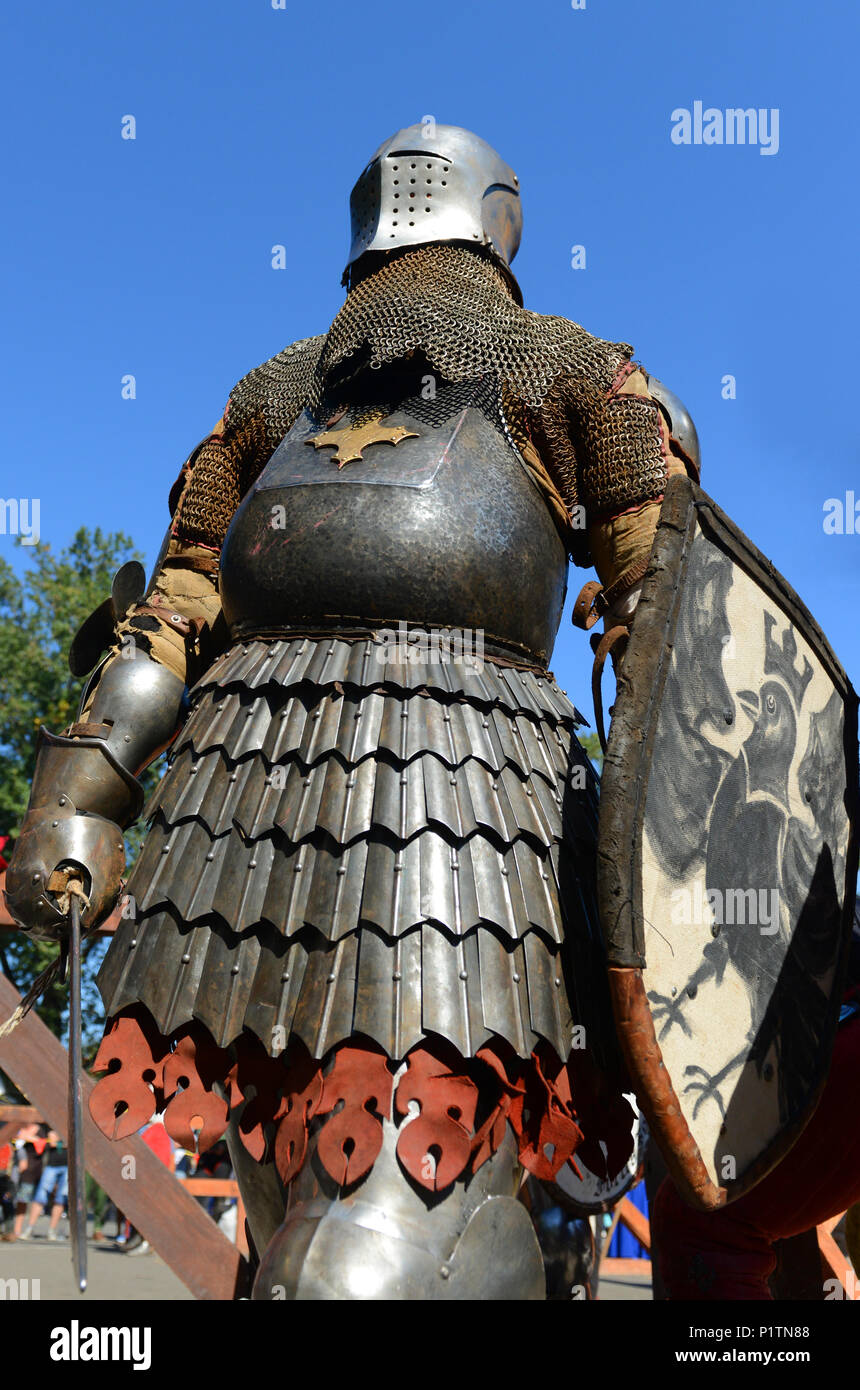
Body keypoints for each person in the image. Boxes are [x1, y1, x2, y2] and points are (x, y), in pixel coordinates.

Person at [6, 124, 699, 1299]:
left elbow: (669, 609)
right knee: (280, 1197)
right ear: (497, 222)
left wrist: (86, 789)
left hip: (465, 808)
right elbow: (183, 601)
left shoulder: (557, 372)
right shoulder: (278, 393)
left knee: (376, 1241)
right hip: (246, 825)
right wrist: (80, 790)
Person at [22, 1129, 67, 1241]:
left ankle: (51, 1231)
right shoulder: (53, 1124)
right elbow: (52, 1139)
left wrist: (59, 1140)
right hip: (52, 1165)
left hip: (67, 1166)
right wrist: (60, 1140)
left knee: (61, 1199)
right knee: (40, 1196)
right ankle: (29, 1228)